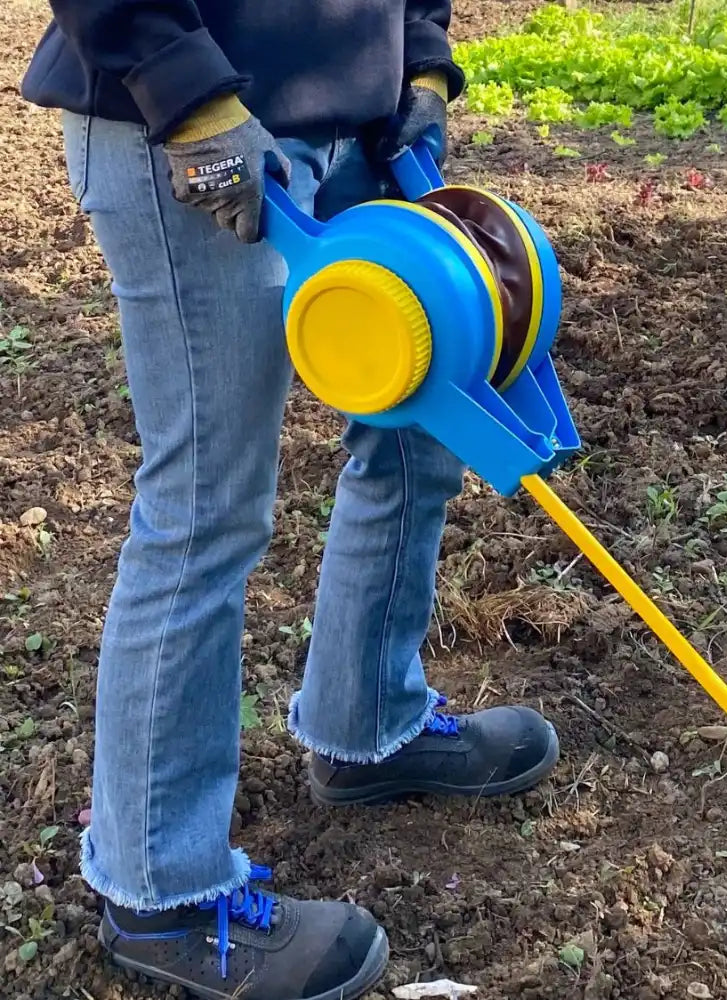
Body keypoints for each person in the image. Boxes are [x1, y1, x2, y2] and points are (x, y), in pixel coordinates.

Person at [20, 4, 560, 998]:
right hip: (194, 127)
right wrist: (186, 96)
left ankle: (369, 724)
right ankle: (159, 887)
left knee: (419, 430)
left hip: (361, 115)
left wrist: (422, 55)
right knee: (205, 505)